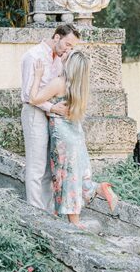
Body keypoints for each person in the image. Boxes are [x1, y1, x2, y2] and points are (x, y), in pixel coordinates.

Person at [29, 49, 119, 226]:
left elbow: (33, 99)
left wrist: (38, 76)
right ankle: (99, 188)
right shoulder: (79, 88)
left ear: (69, 64)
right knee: (77, 174)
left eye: (67, 55)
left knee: (66, 176)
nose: (64, 54)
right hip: (76, 134)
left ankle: (74, 221)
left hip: (62, 136)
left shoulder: (59, 83)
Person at [20, 24, 80, 211]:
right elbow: (28, 95)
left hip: (53, 116)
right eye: (67, 44)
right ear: (56, 37)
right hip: (35, 112)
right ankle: (36, 212)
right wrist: (53, 107)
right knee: (37, 166)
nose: (68, 50)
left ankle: (46, 211)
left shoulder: (59, 59)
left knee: (49, 167)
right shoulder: (34, 56)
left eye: (72, 47)